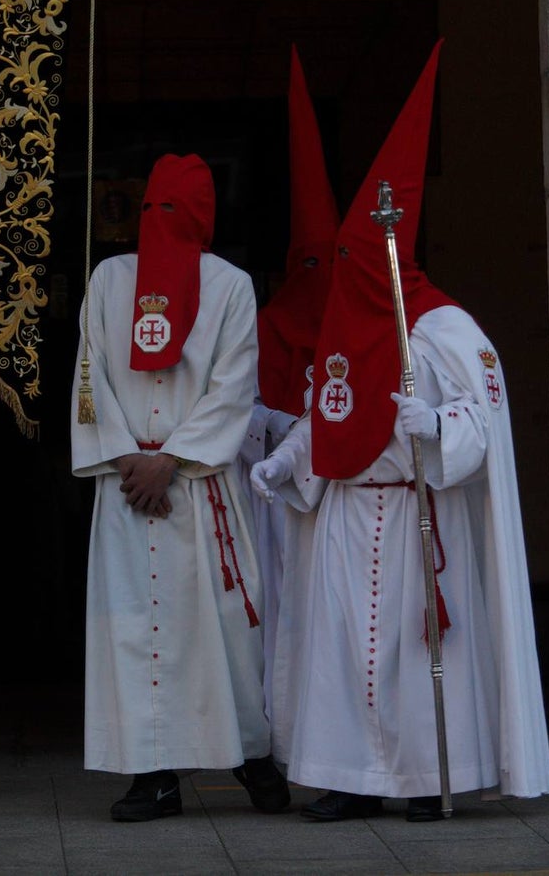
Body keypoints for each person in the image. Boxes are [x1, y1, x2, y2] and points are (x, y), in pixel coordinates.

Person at [251, 41, 549, 823]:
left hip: (423, 506)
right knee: (348, 651)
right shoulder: (343, 332)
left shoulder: (447, 327)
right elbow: (328, 411)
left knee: (421, 656)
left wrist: (441, 424)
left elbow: (485, 421)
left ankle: (426, 779)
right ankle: (351, 776)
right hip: (349, 511)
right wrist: (287, 462)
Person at [70, 152, 289, 822]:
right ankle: (152, 775)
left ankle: (252, 756)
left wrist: (175, 458)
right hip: (128, 484)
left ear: (199, 215)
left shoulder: (229, 286)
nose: (159, 222)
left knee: (222, 634)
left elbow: (233, 386)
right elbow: (89, 376)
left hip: (195, 486)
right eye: (150, 208)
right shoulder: (109, 278)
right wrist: (125, 454)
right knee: (133, 633)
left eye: (173, 209)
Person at [239, 45, 338, 759]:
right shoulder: (264, 321)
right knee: (274, 611)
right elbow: (239, 403)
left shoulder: (352, 332)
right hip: (270, 496)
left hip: (341, 495)